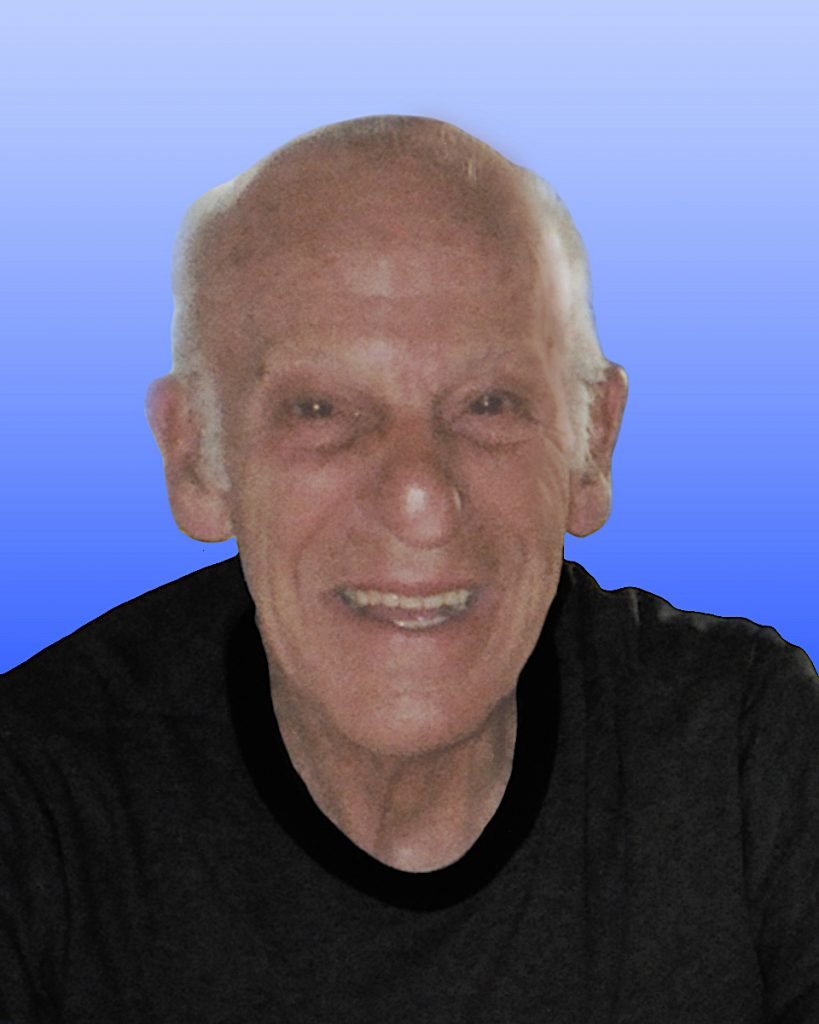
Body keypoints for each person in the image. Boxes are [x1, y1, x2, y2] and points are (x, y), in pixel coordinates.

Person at [1, 115, 817, 1023]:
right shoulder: (35, 798)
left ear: (593, 443)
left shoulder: (742, 749)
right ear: (197, 457)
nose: (420, 500)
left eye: (489, 403)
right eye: (319, 409)